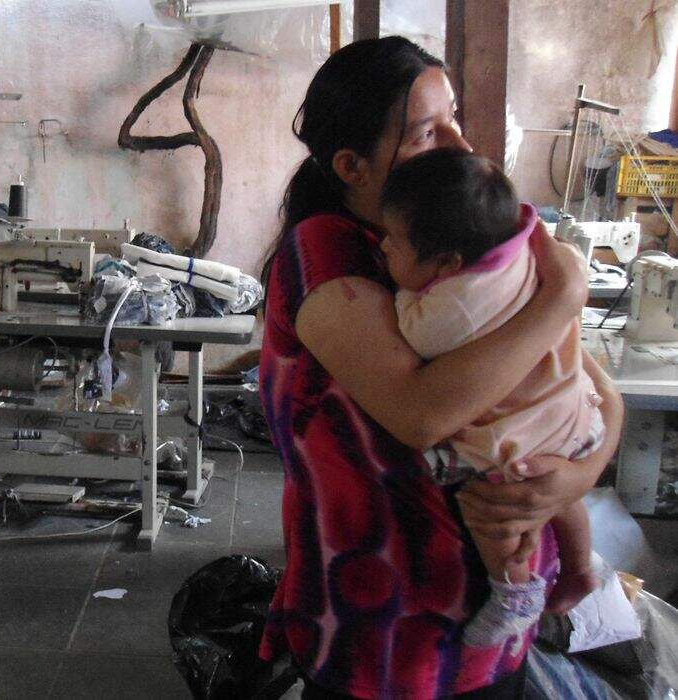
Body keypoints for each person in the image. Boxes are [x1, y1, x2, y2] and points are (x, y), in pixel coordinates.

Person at [259, 37, 623, 699]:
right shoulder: (327, 258)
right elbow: (421, 414)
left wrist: (576, 475)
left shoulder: (462, 241)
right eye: (427, 132)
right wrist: (563, 294)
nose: (459, 143)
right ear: (352, 166)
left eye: (453, 118)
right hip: (383, 638)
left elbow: (585, 387)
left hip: (490, 632)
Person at [380, 148, 602, 648]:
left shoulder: (454, 306)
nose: (384, 247)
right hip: (571, 411)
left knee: (493, 511)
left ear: (448, 263)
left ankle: (514, 589)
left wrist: (402, 296)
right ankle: (580, 565)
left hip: (520, 432)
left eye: (394, 241)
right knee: (563, 493)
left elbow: (417, 336)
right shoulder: (522, 248)